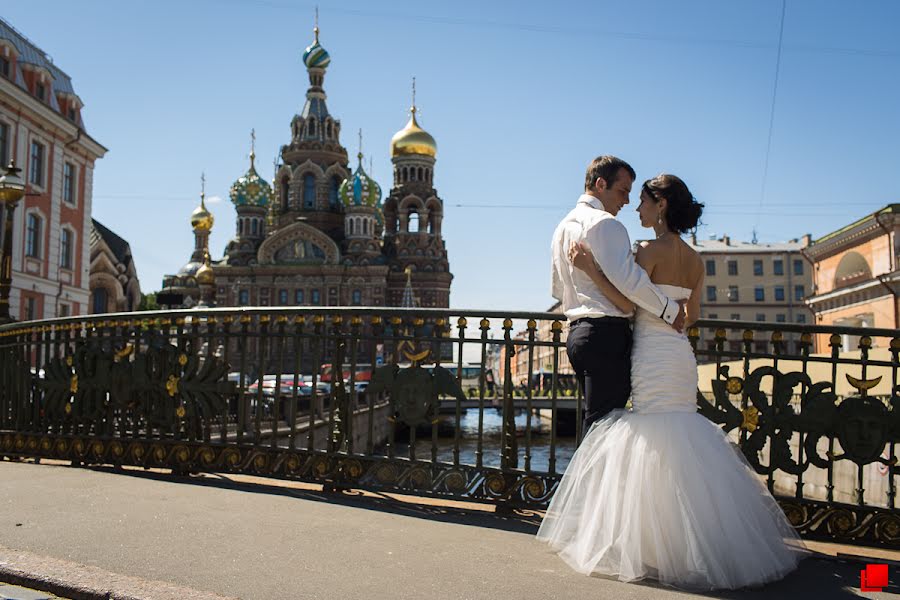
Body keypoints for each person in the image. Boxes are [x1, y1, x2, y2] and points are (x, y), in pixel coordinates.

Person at [537, 174, 807, 590]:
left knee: (651, 440)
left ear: (660, 205)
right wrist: (672, 314)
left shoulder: (645, 251)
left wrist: (590, 267)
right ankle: (698, 545)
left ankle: (650, 546)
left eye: (642, 200)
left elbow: (627, 299)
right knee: (681, 437)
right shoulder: (696, 259)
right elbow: (691, 316)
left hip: (649, 352)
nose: (636, 207)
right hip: (679, 354)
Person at [550, 156, 685, 435]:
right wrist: (669, 311)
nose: (626, 201)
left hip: (578, 336)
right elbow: (631, 282)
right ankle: (588, 480)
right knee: (602, 430)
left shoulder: (561, 227)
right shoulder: (605, 224)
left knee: (597, 423)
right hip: (605, 336)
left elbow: (557, 289)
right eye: (622, 191)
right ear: (601, 184)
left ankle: (586, 479)